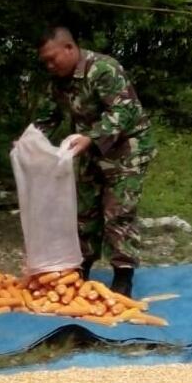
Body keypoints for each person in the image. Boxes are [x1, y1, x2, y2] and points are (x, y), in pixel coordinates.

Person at [34, 26, 156, 296]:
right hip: (90, 149)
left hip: (127, 149)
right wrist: (29, 141)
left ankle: (123, 276)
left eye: (53, 58)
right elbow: (48, 116)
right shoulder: (58, 81)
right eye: (45, 62)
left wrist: (90, 136)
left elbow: (124, 110)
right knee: (85, 211)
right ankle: (81, 269)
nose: (50, 65)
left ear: (70, 48)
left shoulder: (103, 69)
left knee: (118, 211)